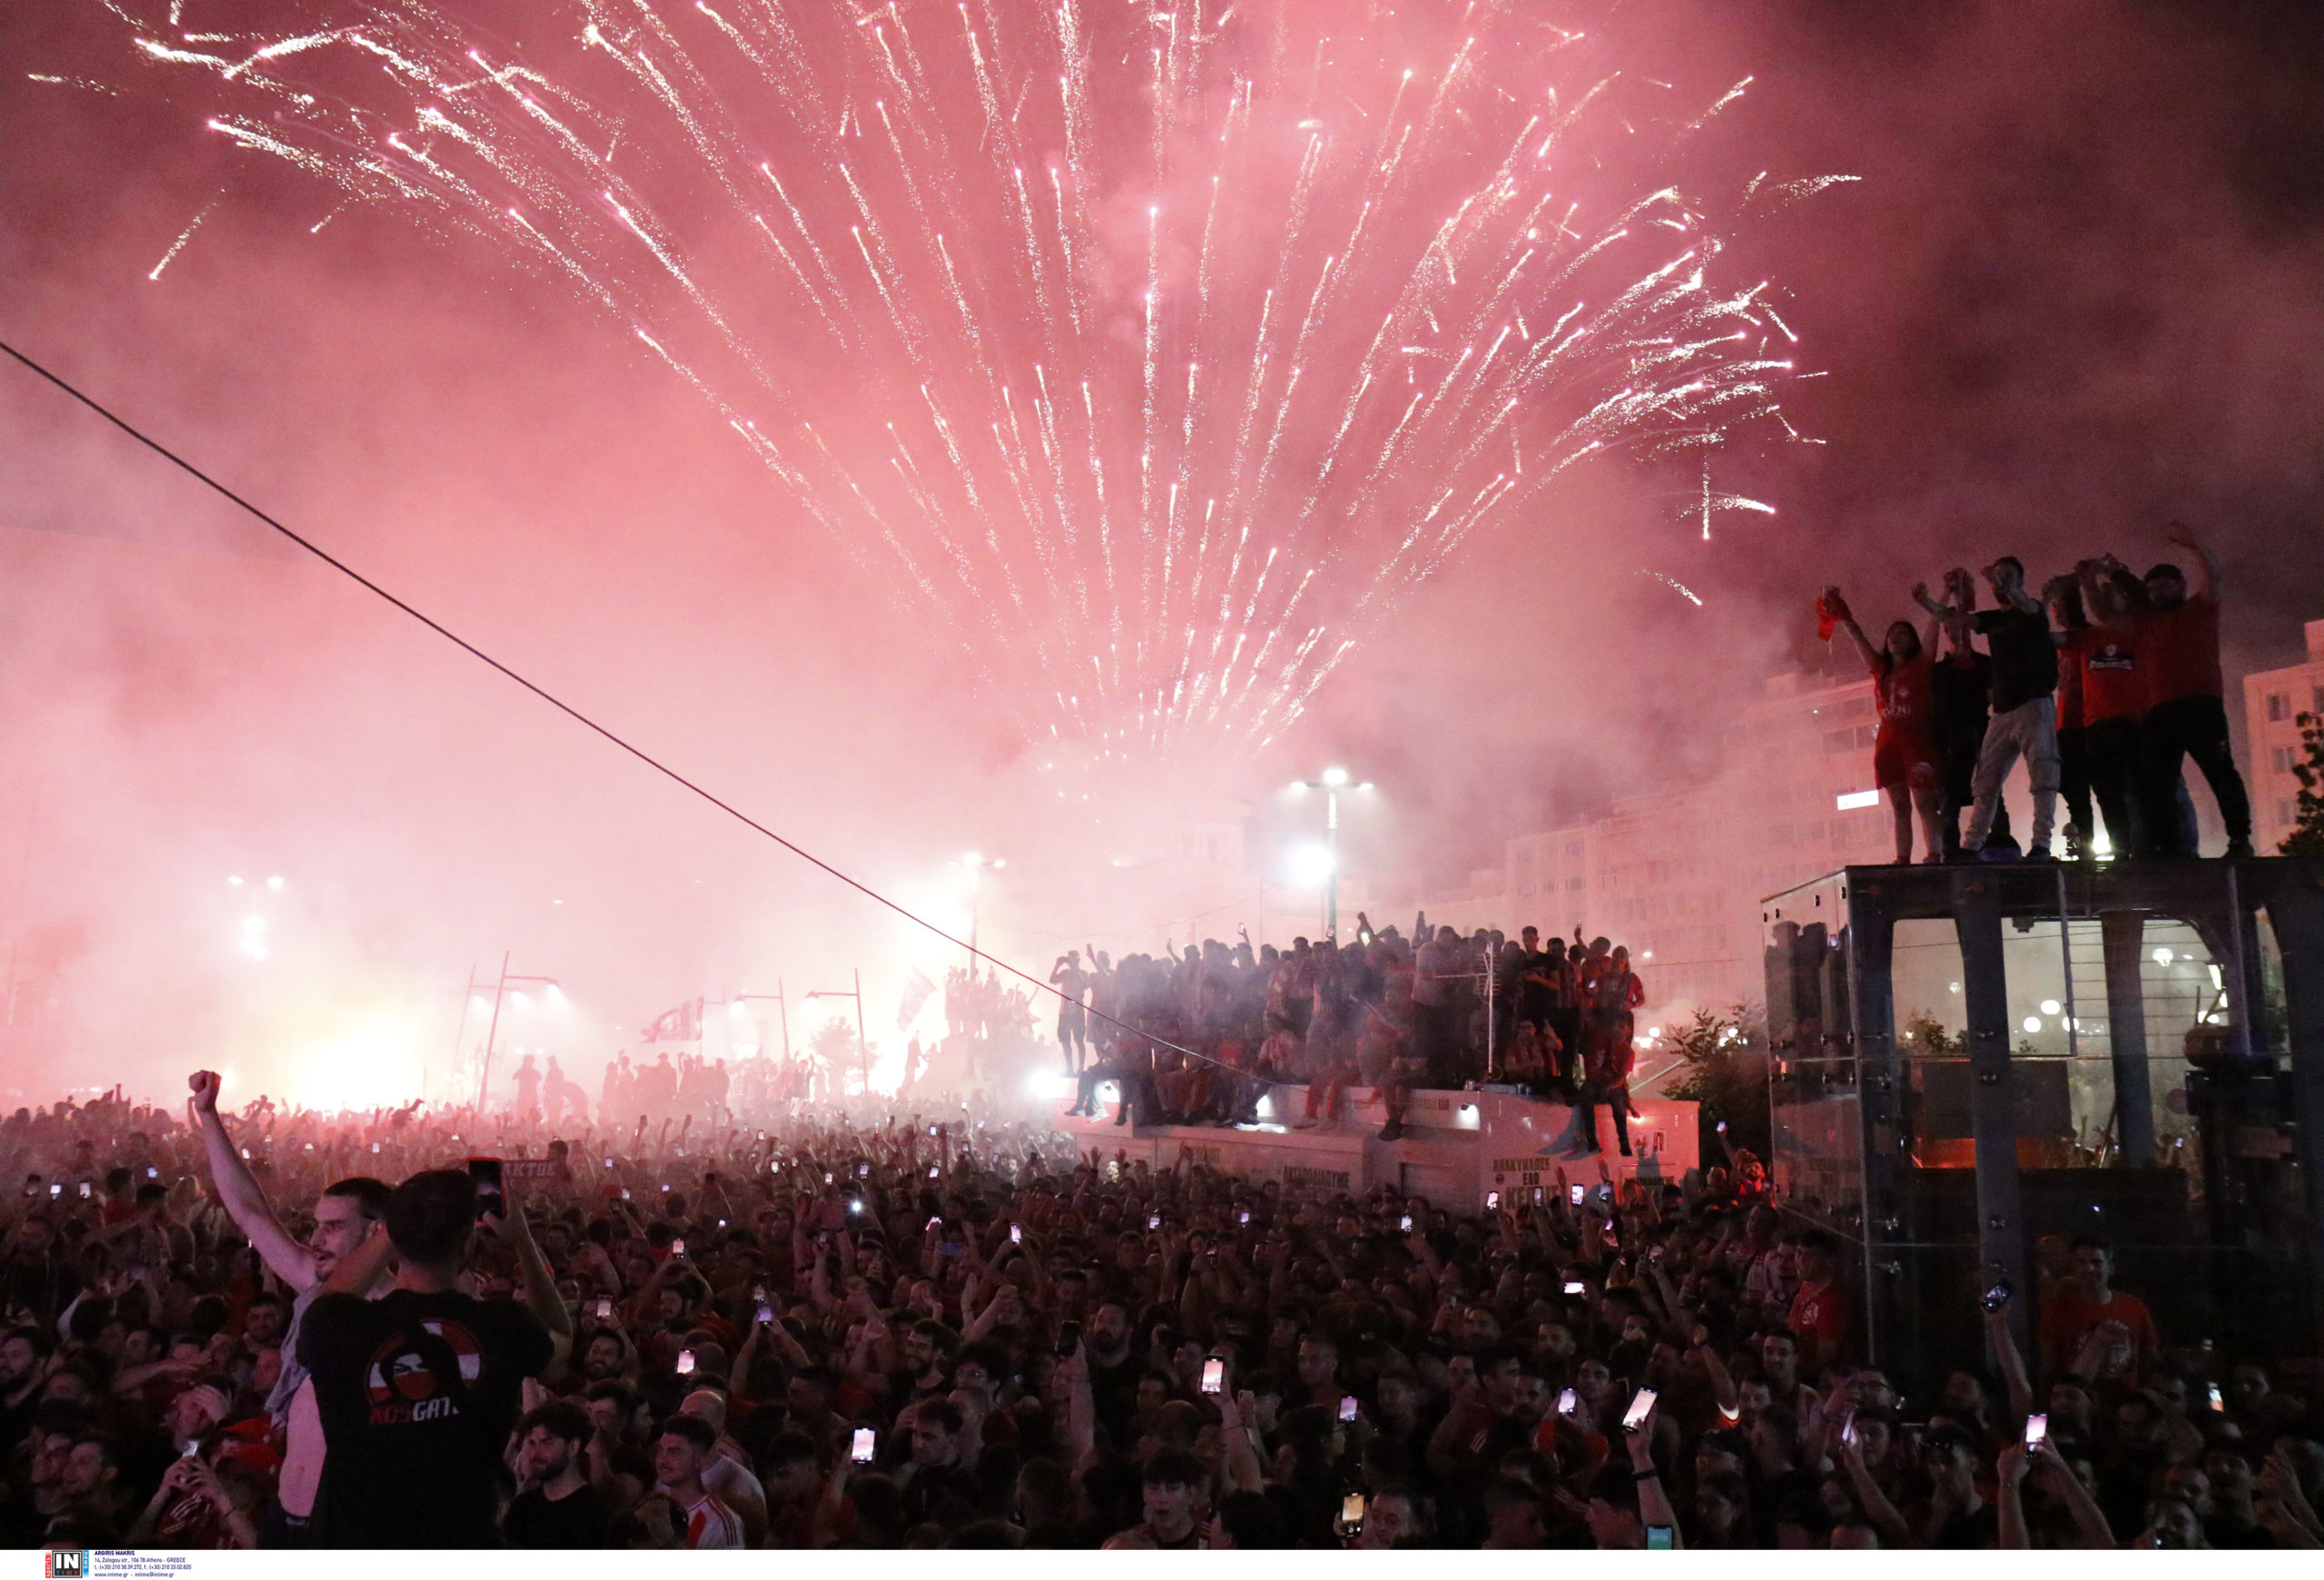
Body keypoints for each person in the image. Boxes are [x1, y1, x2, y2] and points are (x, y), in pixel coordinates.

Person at [296, 1169, 566, 1547]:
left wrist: (391, 1231)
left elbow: (328, 1301)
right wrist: (522, 1242)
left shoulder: (340, 1325)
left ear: (394, 1236)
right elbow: (563, 1342)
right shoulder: (503, 1325)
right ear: (468, 1244)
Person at [184, 1068, 389, 1547]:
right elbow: (250, 1211)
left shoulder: (401, 1315)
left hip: (344, 1524)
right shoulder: (316, 1285)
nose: (316, 1239)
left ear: (378, 1233)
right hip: (288, 1512)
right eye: (316, 1225)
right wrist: (209, 1116)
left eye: (334, 1227)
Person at [1920, 558, 2059, 861]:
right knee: (1984, 781)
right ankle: (1972, 845)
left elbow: (2027, 604)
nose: (2001, 582)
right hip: (2003, 710)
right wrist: (1927, 601)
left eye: (2008, 576)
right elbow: (1957, 621)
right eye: (1997, 578)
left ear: (2021, 581)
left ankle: (2042, 844)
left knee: (2043, 773)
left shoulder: (2032, 612)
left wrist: (2008, 586)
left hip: (2034, 703)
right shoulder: (1996, 619)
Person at [2130, 524, 2253, 857]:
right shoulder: (2148, 624)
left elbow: (2214, 577)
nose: (2157, 593)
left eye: (2165, 586)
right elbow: (2109, 614)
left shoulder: (2199, 608)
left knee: (2220, 772)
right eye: (2152, 589)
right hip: (2162, 711)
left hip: (2202, 706)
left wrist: (2195, 547)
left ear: (2180, 586)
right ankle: (2166, 847)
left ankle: (2240, 839)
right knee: (2157, 784)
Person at [1827, 586, 1944, 863]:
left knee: (1925, 804)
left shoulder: (1922, 665)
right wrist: (1842, 614)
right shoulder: (1881, 670)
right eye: (1892, 636)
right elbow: (1859, 638)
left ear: (1913, 640)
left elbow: (1934, 627)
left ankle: (1935, 855)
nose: (1895, 640)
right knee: (1900, 807)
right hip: (1888, 748)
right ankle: (1902, 858)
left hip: (1917, 745)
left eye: (1902, 635)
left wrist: (1943, 597)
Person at [2036, 1238, 2161, 1384]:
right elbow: (2048, 1366)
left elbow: (2150, 1359)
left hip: (2125, 1402)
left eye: (2096, 1262)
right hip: (2077, 1402)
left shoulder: (2134, 1307)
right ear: (2074, 1268)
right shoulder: (2058, 1310)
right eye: (2081, 1262)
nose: (2088, 1269)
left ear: (2111, 1268)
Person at [506, 1400, 613, 1548]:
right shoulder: (522, 1507)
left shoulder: (592, 1513)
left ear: (573, 1447)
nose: (535, 1454)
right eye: (532, 1443)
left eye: (546, 1442)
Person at [653, 1414, 746, 1548]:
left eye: (674, 1452)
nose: (662, 1460)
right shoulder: (655, 1502)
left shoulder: (719, 1523)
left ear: (700, 1459)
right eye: (661, 1450)